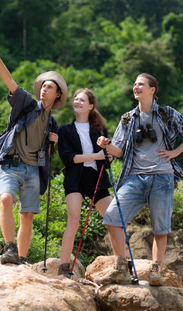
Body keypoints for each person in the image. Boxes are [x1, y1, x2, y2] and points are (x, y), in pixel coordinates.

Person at [96, 73, 183, 285]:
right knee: (112, 216)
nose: (136, 87)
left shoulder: (166, 113)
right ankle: (120, 267)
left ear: (152, 89)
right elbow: (118, 151)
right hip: (135, 177)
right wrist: (106, 144)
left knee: (160, 227)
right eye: (134, 84)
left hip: (162, 177)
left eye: (140, 84)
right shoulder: (127, 118)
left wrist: (176, 152)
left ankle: (155, 270)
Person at [0, 36, 67, 265]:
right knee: (6, 199)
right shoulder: (26, 102)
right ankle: (9, 247)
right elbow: (8, 80)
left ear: (58, 94)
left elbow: (46, 155)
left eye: (50, 87)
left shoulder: (52, 124)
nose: (44, 89)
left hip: (33, 170)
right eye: (43, 86)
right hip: (12, 163)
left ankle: (21, 257)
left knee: (27, 215)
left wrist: (53, 144)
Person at [57, 88, 113, 278]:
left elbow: (106, 157)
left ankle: (120, 261)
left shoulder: (99, 130)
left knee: (114, 218)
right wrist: (96, 155)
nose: (77, 102)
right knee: (73, 221)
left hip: (96, 177)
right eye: (75, 99)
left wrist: (107, 157)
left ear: (90, 106)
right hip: (75, 178)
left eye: (81, 100)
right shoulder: (64, 130)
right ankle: (64, 266)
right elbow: (68, 158)